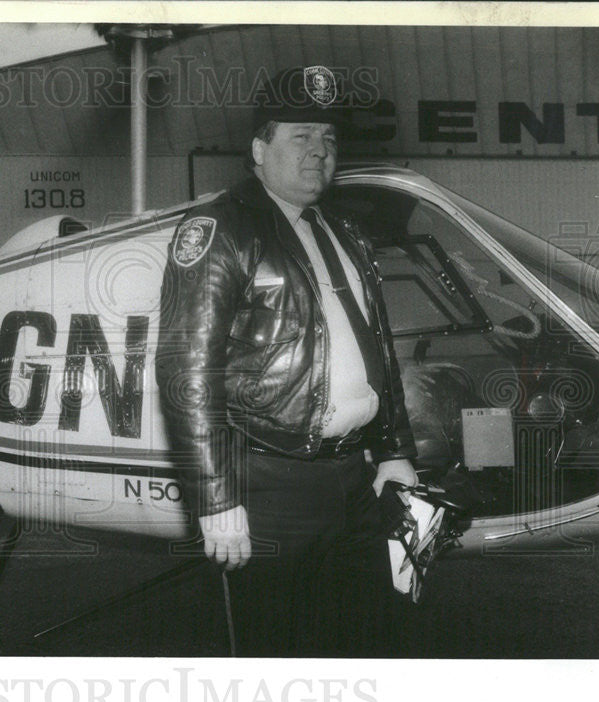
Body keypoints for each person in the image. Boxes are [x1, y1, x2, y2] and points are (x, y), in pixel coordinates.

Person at [156, 66, 418, 657]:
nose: (319, 152)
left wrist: (396, 450)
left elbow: (377, 349)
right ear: (259, 148)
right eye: (300, 137)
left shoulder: (343, 231)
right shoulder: (221, 228)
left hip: (353, 481)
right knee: (272, 653)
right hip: (268, 486)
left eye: (328, 139)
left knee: (359, 643)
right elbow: (184, 373)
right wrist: (216, 498)